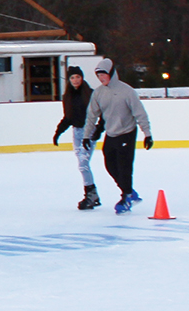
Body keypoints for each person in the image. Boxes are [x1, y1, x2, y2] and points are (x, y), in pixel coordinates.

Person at [85, 56, 153, 214]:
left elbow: (140, 114)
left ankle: (127, 196)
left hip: (127, 132)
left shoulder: (126, 91)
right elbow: (91, 115)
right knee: (110, 165)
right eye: (99, 75)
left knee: (124, 166)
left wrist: (147, 134)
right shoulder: (98, 93)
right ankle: (129, 190)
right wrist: (87, 135)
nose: (101, 78)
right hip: (111, 133)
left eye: (104, 75)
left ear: (111, 74)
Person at [53, 66, 99, 208]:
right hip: (77, 133)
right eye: (72, 77)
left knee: (83, 164)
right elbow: (68, 117)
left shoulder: (91, 94)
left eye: (77, 77)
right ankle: (93, 194)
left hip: (89, 132)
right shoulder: (68, 97)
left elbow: (99, 112)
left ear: (82, 77)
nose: (75, 80)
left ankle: (91, 194)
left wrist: (97, 130)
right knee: (82, 165)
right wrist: (58, 132)